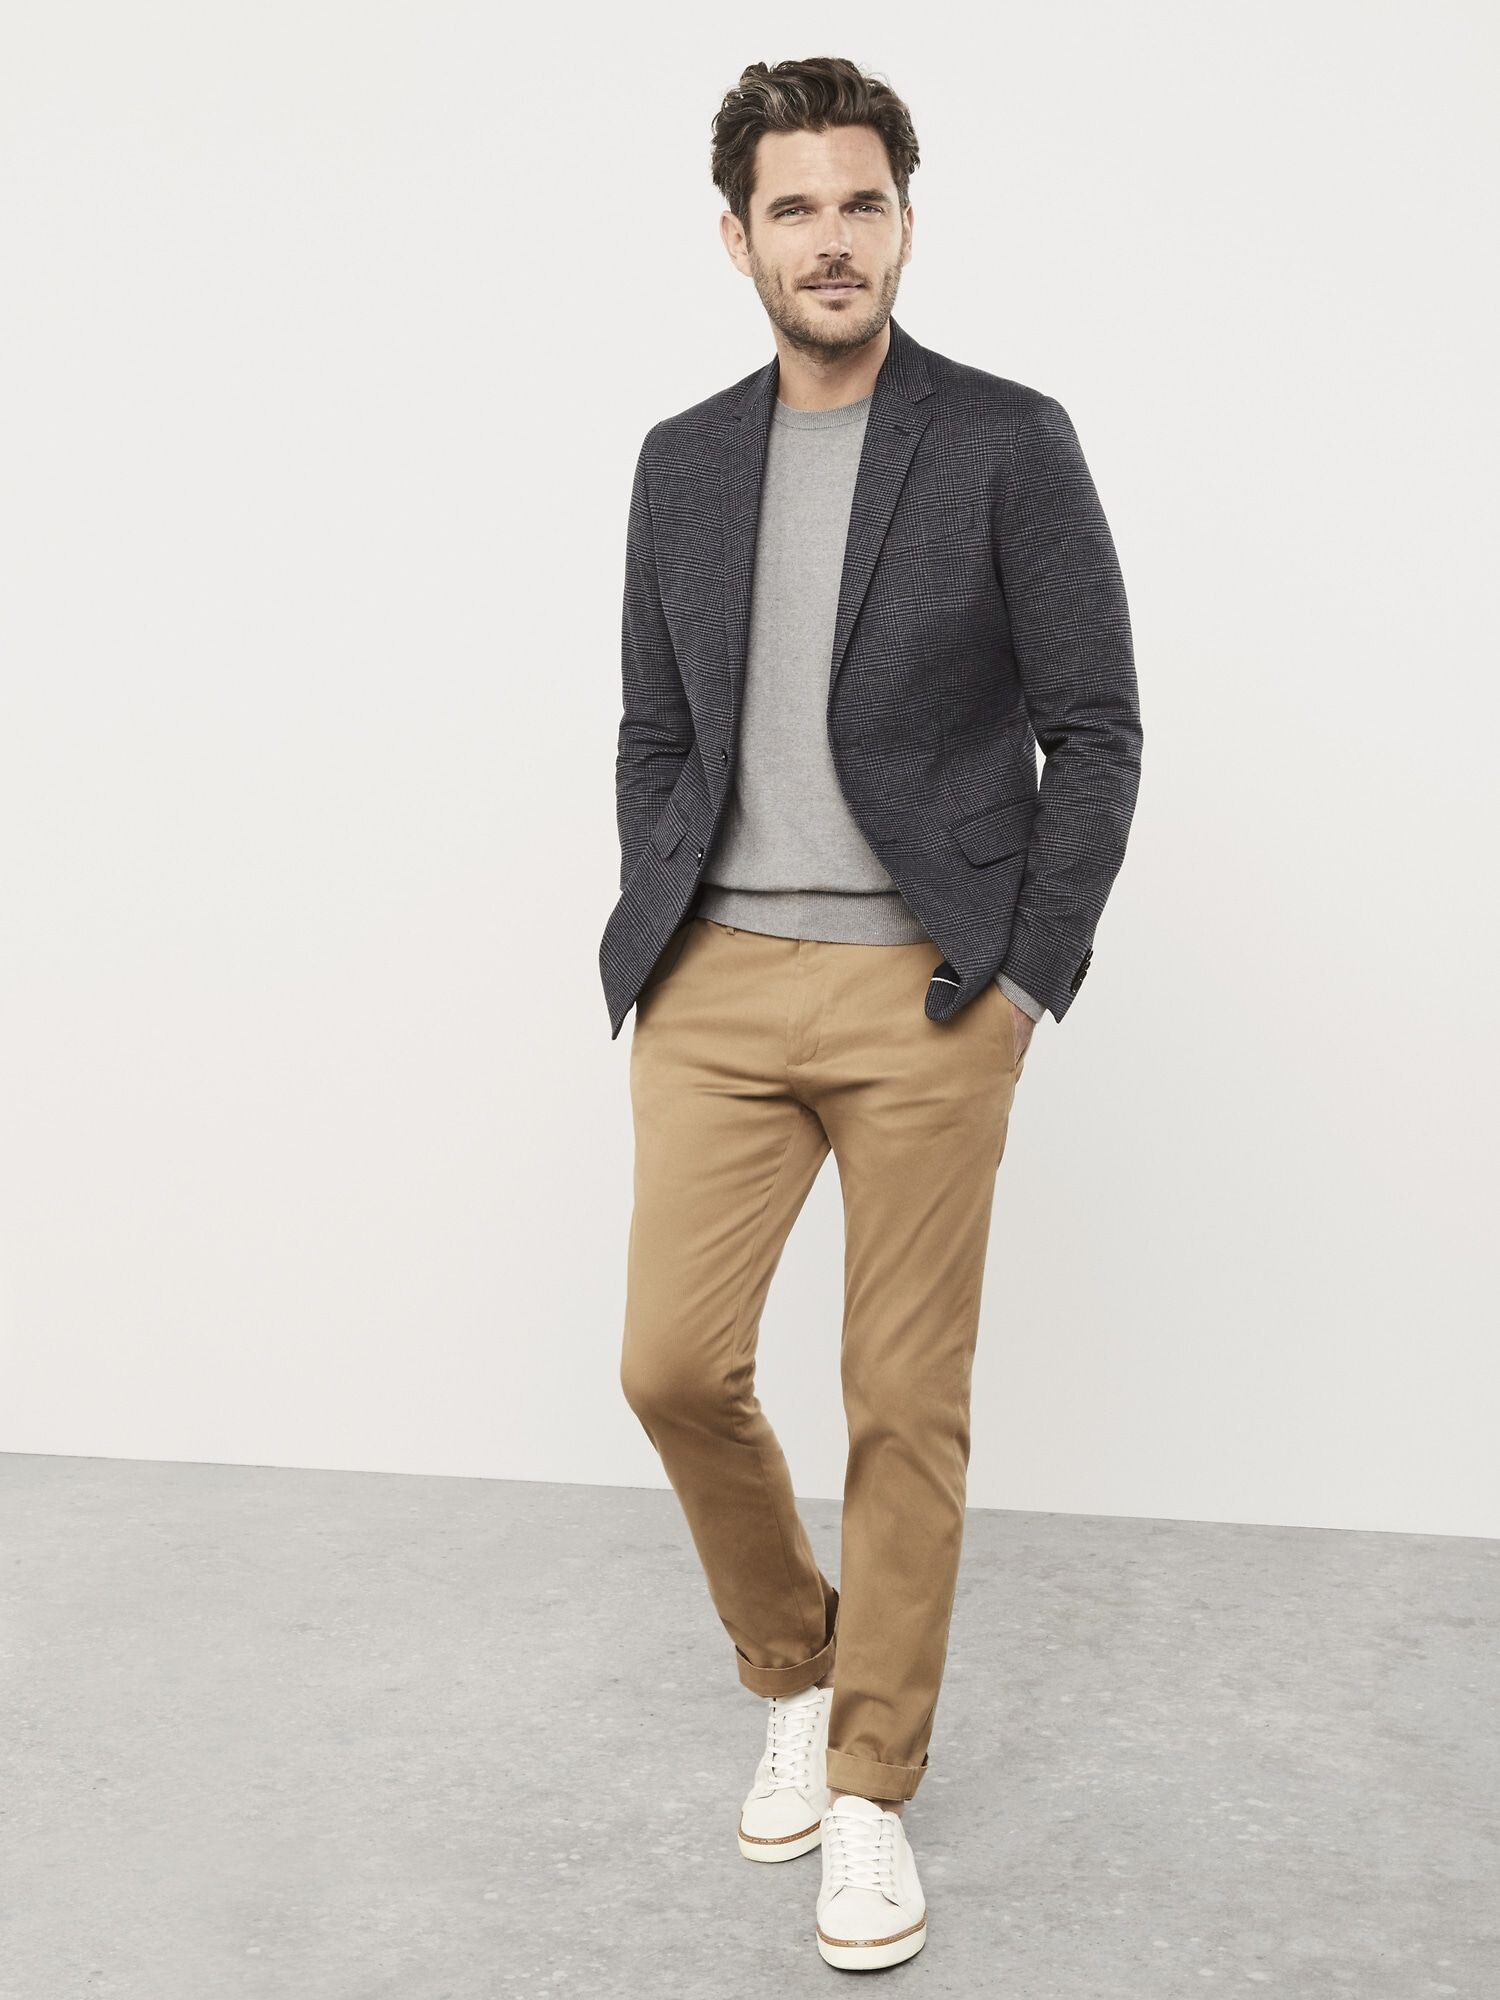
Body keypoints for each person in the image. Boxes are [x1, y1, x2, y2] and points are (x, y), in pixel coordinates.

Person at [599, 54, 1143, 1972]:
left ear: (904, 223)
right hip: (717, 983)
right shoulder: (681, 459)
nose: (830, 240)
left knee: (903, 1403)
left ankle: (869, 1787)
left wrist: (1025, 971)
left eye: (862, 204)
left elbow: (1098, 726)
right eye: (795, 209)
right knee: (672, 1367)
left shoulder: (1003, 440)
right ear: (736, 238)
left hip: (931, 989)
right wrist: (666, 923)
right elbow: (655, 730)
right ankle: (798, 1667)